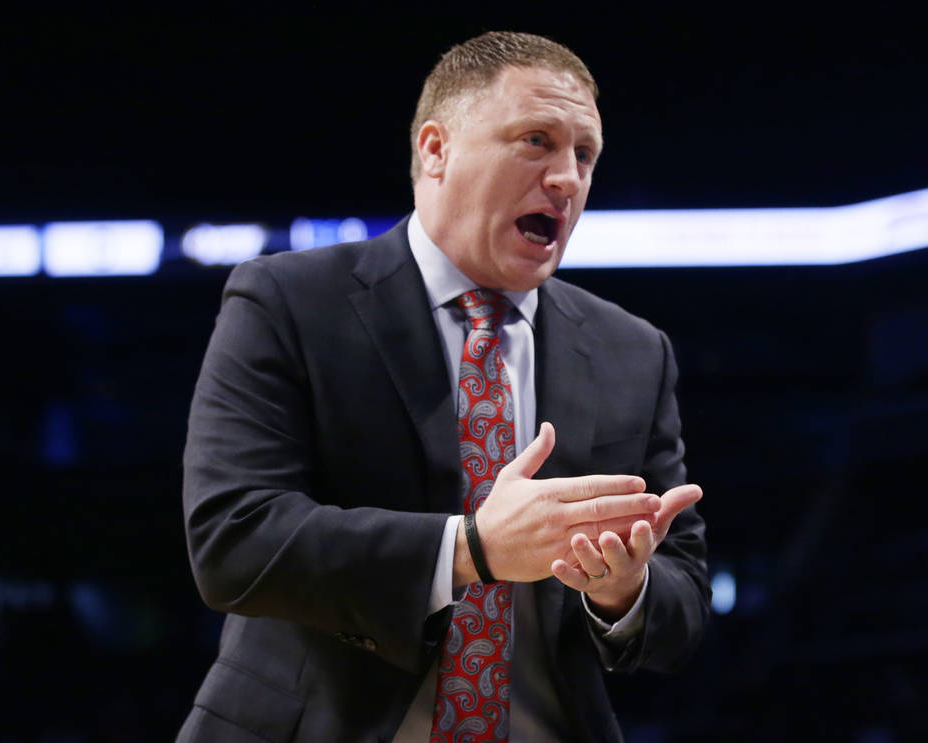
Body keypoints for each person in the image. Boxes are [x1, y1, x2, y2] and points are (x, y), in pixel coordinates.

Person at [178, 31, 710, 743]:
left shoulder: (634, 352)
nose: (567, 178)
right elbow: (232, 538)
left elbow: (682, 602)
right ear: (436, 150)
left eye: (585, 154)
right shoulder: (288, 301)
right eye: (536, 141)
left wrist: (623, 590)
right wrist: (472, 547)